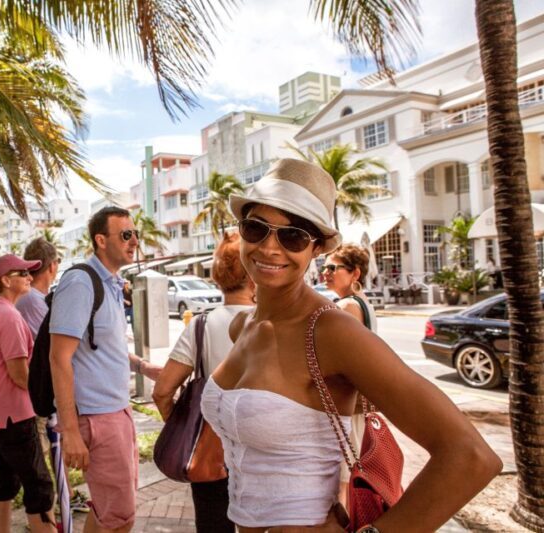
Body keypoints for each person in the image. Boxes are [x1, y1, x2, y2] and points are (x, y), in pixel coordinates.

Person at [200, 158, 501, 532]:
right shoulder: (243, 326)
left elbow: (471, 456)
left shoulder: (331, 331)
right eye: (255, 228)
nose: (269, 247)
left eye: (292, 235)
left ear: (318, 249)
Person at [49, 206, 162, 533]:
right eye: (126, 234)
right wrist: (70, 431)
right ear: (101, 240)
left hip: (117, 411)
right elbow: (59, 358)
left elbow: (103, 345)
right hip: (97, 418)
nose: (134, 241)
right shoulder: (81, 283)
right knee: (120, 518)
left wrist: (142, 366)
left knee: (105, 510)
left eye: (135, 234)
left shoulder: (110, 283)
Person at [152, 232, 254, 533]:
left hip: (211, 451)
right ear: (254, 275)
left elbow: (162, 391)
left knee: (213, 525)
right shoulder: (271, 323)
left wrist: (182, 423)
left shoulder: (201, 325)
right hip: (265, 453)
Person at [0, 254, 57, 533]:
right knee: (40, 486)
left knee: (5, 481)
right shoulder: (8, 316)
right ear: (7, 281)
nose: (30, 278)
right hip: (12, 415)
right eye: (24, 274)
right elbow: (20, 374)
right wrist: (50, 398)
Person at [16, 237, 90, 514]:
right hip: (40, 391)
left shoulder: (31, 299)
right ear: (52, 266)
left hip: (38, 389)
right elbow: (54, 348)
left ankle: (66, 498)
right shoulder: (34, 301)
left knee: (53, 450)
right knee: (49, 451)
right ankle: (55, 506)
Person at [322, 243, 378, 504]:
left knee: (345, 478)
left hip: (348, 402)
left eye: (333, 268)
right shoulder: (362, 302)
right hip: (361, 399)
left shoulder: (346, 306)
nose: (326, 273)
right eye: (324, 268)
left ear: (355, 273)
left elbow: (343, 357)